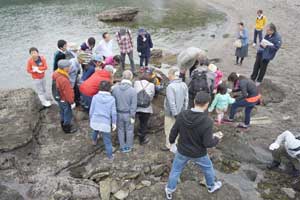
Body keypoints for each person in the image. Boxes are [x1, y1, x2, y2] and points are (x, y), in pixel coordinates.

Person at [165, 92, 222, 200]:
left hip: (182, 151)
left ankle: (169, 190)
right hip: (199, 153)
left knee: (176, 170)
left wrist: (171, 143)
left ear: (195, 101)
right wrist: (217, 138)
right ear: (207, 105)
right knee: (208, 168)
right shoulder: (207, 121)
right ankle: (211, 186)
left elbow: (174, 131)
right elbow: (207, 143)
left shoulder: (182, 114)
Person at [162, 68, 188, 151]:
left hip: (171, 113)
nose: (168, 76)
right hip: (181, 111)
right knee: (178, 128)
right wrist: (184, 111)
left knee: (169, 129)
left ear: (172, 75)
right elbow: (186, 100)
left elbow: (171, 102)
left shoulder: (170, 86)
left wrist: (175, 114)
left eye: (169, 74)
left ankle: (169, 145)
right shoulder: (184, 84)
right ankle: (176, 143)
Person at [89, 80, 116, 160]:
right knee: (107, 140)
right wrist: (114, 123)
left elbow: (91, 110)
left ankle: (94, 141)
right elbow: (113, 113)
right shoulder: (112, 99)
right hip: (105, 123)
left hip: (95, 120)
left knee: (95, 130)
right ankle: (110, 156)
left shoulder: (95, 97)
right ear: (109, 89)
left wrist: (91, 118)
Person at [112, 70, 137, 152]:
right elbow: (133, 106)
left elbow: (113, 102)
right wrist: (133, 116)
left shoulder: (115, 89)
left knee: (120, 130)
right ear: (131, 78)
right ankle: (128, 146)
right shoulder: (133, 91)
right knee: (129, 130)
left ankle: (122, 146)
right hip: (128, 114)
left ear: (122, 77)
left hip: (118, 113)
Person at [52, 59, 77, 134]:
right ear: (64, 68)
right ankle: (67, 128)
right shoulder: (63, 79)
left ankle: (62, 122)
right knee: (67, 112)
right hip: (64, 99)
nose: (70, 68)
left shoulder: (56, 73)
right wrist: (72, 102)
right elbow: (68, 93)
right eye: (69, 66)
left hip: (59, 98)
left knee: (62, 111)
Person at [134, 71, 155, 145]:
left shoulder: (136, 83)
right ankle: (142, 139)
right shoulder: (151, 85)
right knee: (144, 124)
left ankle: (136, 132)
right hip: (146, 108)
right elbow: (151, 97)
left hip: (137, 107)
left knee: (137, 121)